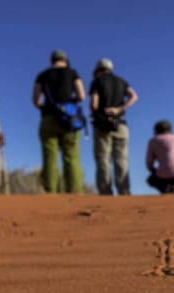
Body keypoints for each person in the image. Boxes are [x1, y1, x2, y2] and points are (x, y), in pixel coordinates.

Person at [32, 49, 86, 193]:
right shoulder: (72, 72)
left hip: (48, 118)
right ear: (65, 60)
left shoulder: (42, 75)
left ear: (52, 61)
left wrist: (46, 108)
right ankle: (75, 194)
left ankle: (51, 194)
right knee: (72, 158)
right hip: (69, 118)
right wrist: (70, 103)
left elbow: (35, 100)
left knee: (50, 158)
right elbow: (82, 96)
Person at [89, 58, 138, 195]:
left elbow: (94, 103)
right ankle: (124, 190)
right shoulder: (121, 81)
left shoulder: (97, 81)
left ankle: (105, 192)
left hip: (103, 125)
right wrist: (120, 109)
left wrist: (94, 115)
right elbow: (134, 96)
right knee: (121, 159)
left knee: (103, 159)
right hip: (121, 124)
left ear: (98, 70)